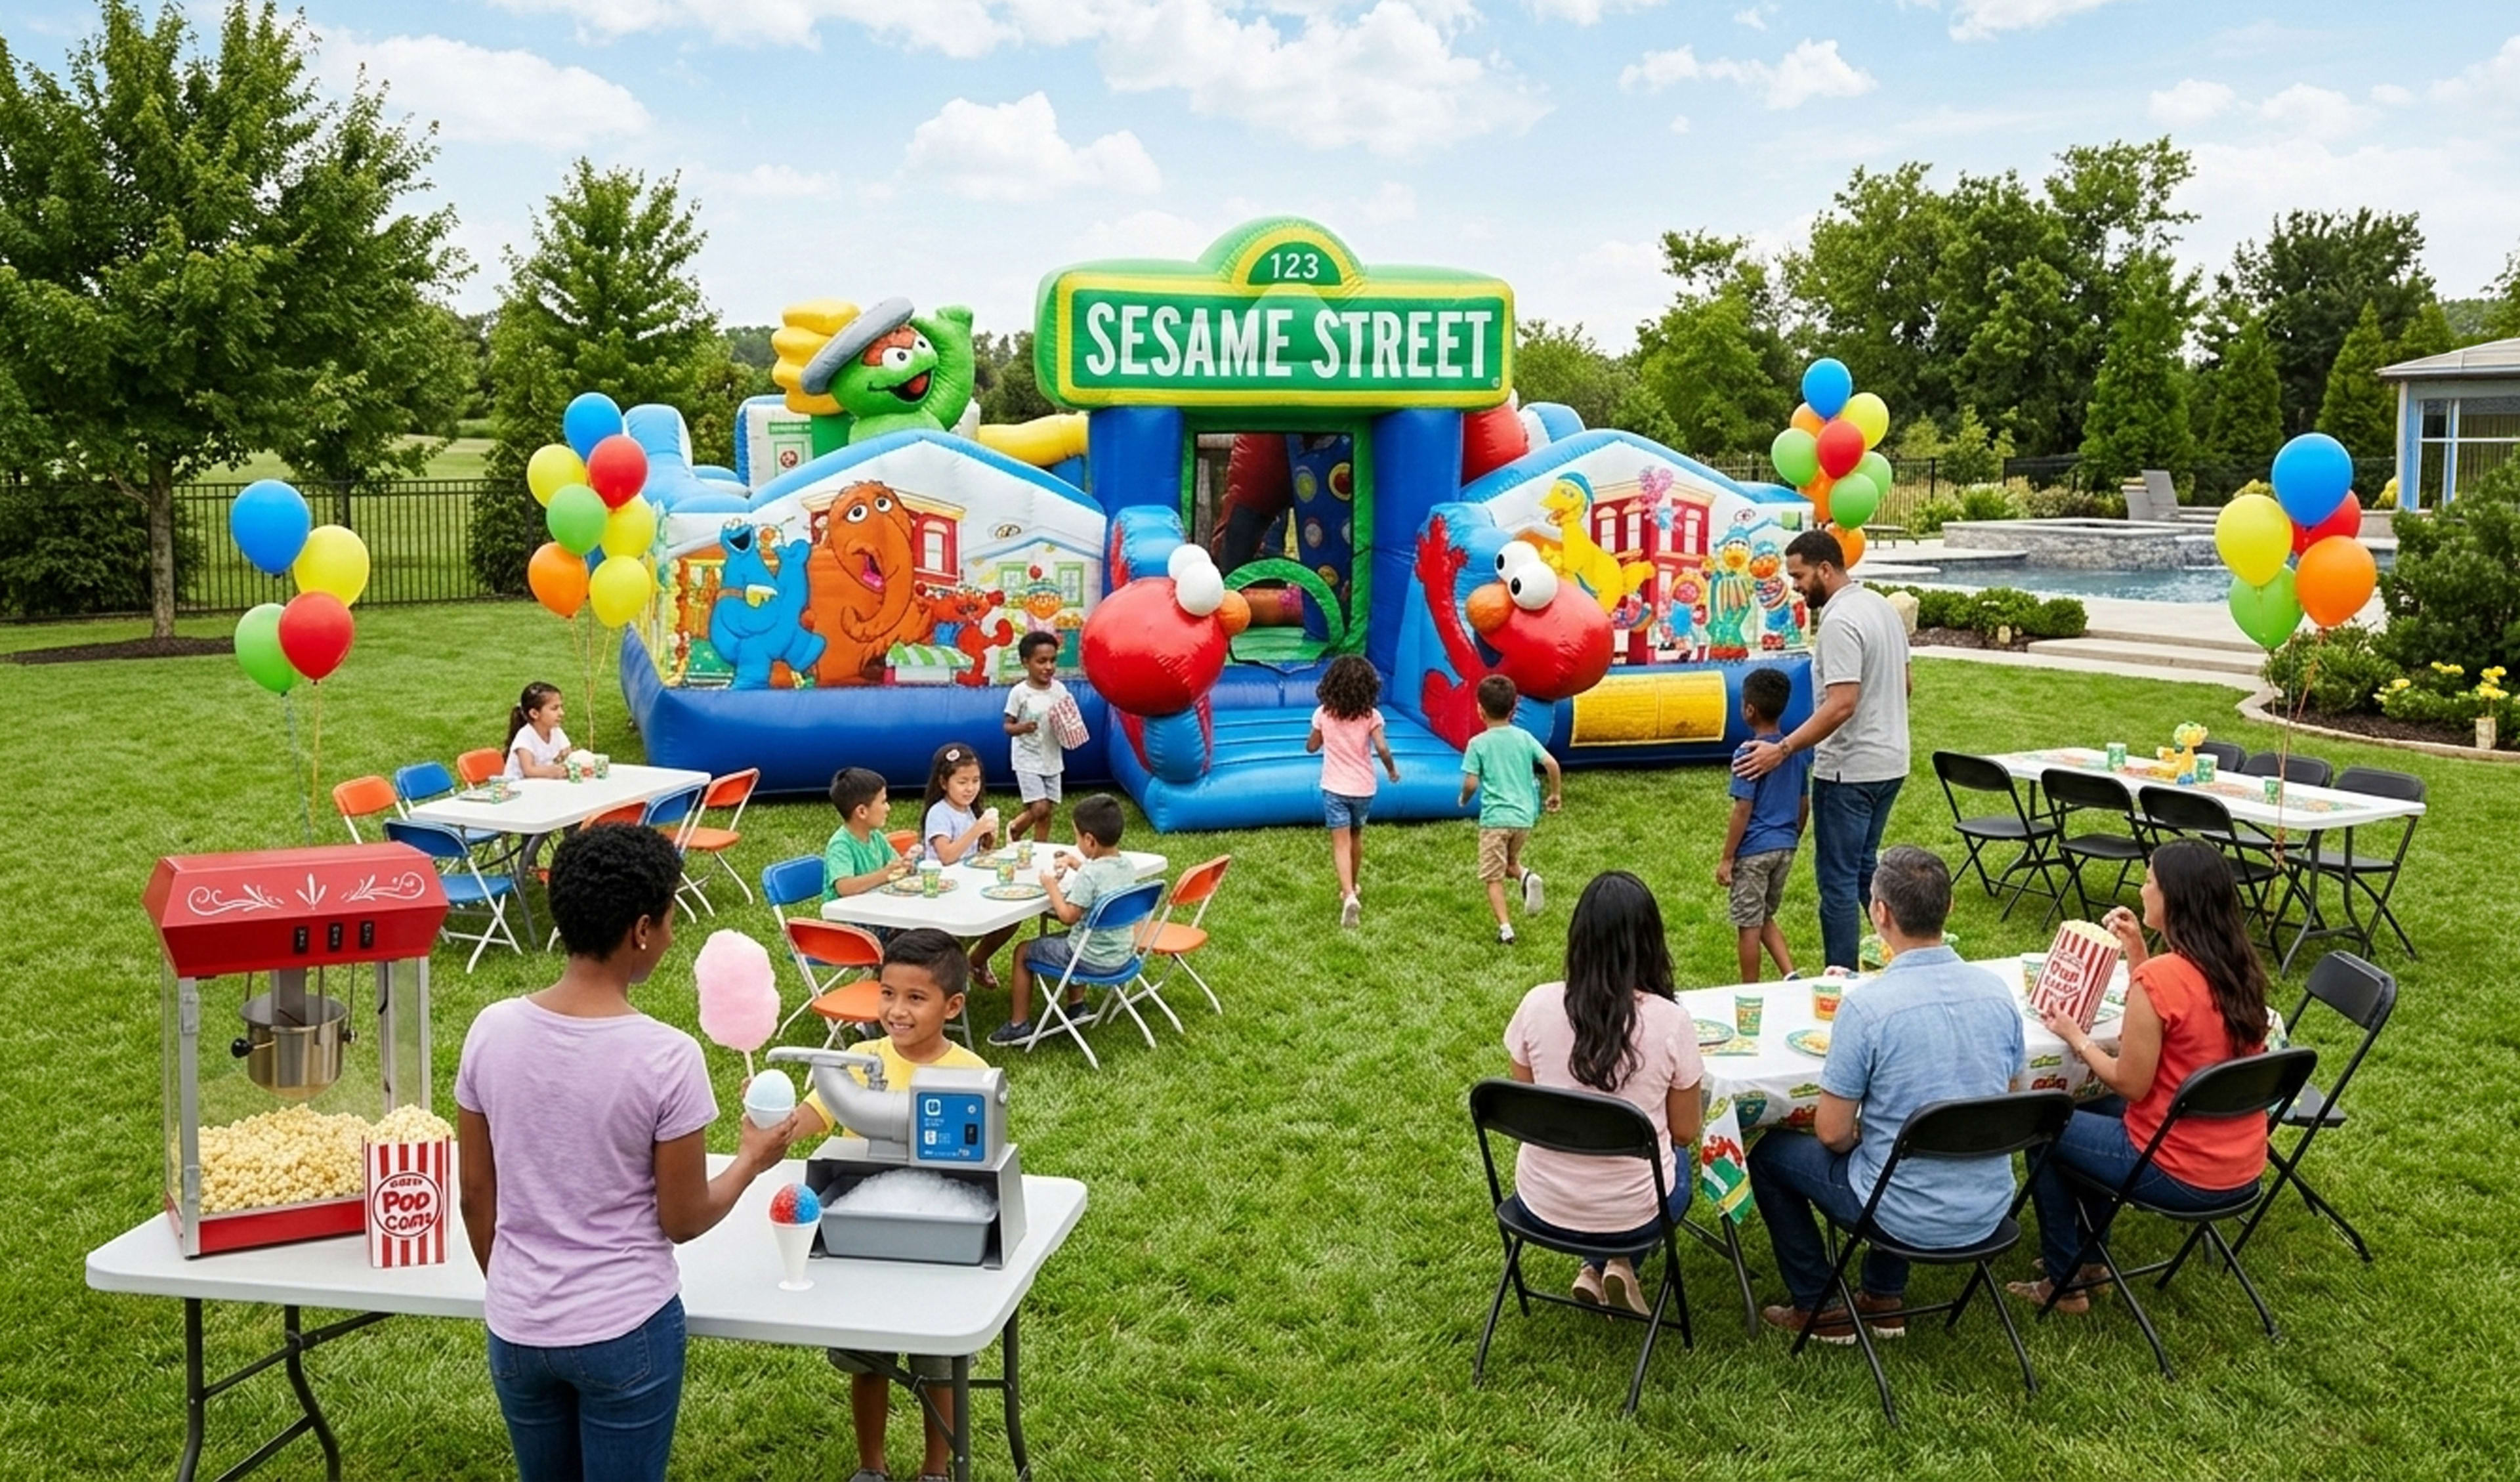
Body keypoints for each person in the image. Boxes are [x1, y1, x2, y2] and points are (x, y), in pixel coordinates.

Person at [455, 824, 798, 1481]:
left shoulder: (490, 1029)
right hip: (625, 1328)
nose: (671, 936)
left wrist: (516, 1289)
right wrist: (752, 1158)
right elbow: (684, 1217)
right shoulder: (667, 1057)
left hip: (518, 1326)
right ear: (642, 928)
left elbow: (476, 1193)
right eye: (669, 918)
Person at [1746, 846, 2023, 1342]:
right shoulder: (1997, 993)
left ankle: (1819, 1303)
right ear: (1950, 907)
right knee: (1898, 1145)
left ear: (1880, 913)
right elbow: (2011, 1094)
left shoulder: (1868, 1008)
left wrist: (1871, 1132)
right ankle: (1881, 1296)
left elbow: (1830, 1134)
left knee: (1770, 1155)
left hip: (1902, 1209)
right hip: (1989, 1206)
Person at [2008, 841, 2273, 1313]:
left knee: (2046, 1125)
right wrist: (2139, 952)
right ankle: (2089, 1262)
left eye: (2150, 880)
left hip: (2178, 1168)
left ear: (2173, 897)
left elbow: (2130, 1084)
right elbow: (2182, 1014)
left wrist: (2075, 1037)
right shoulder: (2237, 966)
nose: (2142, 888)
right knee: (2088, 1110)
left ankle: (2063, 1283)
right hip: (2240, 1163)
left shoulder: (2162, 980)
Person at [789, 929, 989, 1482]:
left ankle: (935, 1468)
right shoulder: (858, 1058)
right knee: (868, 1359)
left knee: (938, 1366)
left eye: (915, 999)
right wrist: (781, 1120)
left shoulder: (969, 1073)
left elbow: (980, 1159)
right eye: (887, 994)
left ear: (953, 1006)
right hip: (862, 1233)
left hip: (938, 1235)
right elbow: (818, 1114)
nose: (896, 1011)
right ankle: (871, 1467)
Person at [1500, 871, 1704, 1316]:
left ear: (1579, 937)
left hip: (1541, 1203)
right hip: (1631, 1212)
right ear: (1651, 942)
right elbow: (1686, 1132)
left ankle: (1598, 1268)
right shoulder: (1671, 1023)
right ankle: (1618, 1261)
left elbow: (1528, 1103)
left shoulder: (1536, 1005)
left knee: (1632, 1154)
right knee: (1676, 1159)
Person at [1730, 528, 1910, 973]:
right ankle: (1908, 956)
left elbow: (1842, 703)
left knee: (1838, 882)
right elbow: (1905, 685)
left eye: (1800, 575)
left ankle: (1841, 980)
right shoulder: (1883, 609)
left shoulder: (1838, 621)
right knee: (1868, 870)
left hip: (1850, 771)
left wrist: (1784, 749)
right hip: (1891, 763)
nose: (1795, 585)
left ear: (1826, 569)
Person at [990, 794, 1139, 1046]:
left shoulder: (1091, 874)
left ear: (1090, 840)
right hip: (1121, 954)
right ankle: (1077, 1006)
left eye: (1077, 836)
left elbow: (1068, 917)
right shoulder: (1125, 865)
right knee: (1077, 938)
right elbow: (1100, 883)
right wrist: (1077, 864)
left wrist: (1051, 887)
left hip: (1090, 958)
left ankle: (1019, 1025)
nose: (1077, 842)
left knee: (1023, 951)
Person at [1718, 666, 1811, 982]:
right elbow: (1803, 803)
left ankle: (1751, 990)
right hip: (1785, 848)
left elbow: (1743, 809)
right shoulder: (1795, 751)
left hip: (1755, 852)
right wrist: (1792, 837)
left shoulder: (1748, 754)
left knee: (1749, 925)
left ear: (1748, 709)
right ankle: (1790, 974)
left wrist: (1728, 857)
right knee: (1764, 914)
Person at [1457, 674, 1562, 945]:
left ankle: (1506, 929)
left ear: (1480, 709)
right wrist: (1555, 794)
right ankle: (1527, 876)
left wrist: (1464, 798)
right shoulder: (1524, 738)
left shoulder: (1478, 744)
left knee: (1493, 877)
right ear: (1514, 708)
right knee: (1509, 864)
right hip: (1524, 819)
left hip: (1495, 820)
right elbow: (1551, 764)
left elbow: (1470, 782)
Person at [1307, 654, 1402, 929]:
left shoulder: (1323, 713)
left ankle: (1348, 894)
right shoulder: (1372, 716)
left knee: (1340, 842)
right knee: (1357, 835)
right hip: (1363, 787)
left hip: (1335, 787)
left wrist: (1314, 742)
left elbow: (1312, 746)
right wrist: (1392, 770)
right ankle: (1354, 885)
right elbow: (1382, 748)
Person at [917, 742, 1016, 989]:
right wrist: (977, 830)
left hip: (966, 885)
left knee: (1010, 918)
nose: (970, 788)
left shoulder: (968, 811)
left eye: (975, 780)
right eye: (962, 782)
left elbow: (971, 855)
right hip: (941, 892)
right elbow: (947, 856)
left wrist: (988, 842)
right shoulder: (939, 813)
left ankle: (976, 961)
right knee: (968, 929)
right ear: (943, 783)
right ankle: (950, 970)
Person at [1002, 632, 1073, 846]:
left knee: (1047, 809)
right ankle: (1016, 828)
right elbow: (1007, 726)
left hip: (1052, 757)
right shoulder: (1020, 693)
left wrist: (1070, 727)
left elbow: (1069, 715)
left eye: (1052, 661)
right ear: (1026, 662)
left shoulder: (1059, 690)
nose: (1048, 667)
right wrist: (1022, 728)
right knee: (1038, 807)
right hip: (1027, 758)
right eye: (1041, 661)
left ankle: (1040, 847)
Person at [825, 766, 913, 901]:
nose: (888, 808)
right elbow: (845, 888)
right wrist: (885, 875)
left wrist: (906, 864)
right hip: (847, 918)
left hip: (874, 908)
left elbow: (895, 865)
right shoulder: (841, 845)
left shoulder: (876, 836)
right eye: (883, 802)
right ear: (862, 812)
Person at [503, 682, 571, 780]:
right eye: (554, 708)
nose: (562, 713)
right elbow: (529, 771)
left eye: (561, 707)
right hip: (517, 789)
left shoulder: (556, 732)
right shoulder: (525, 737)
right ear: (534, 713)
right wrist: (552, 771)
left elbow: (567, 755)